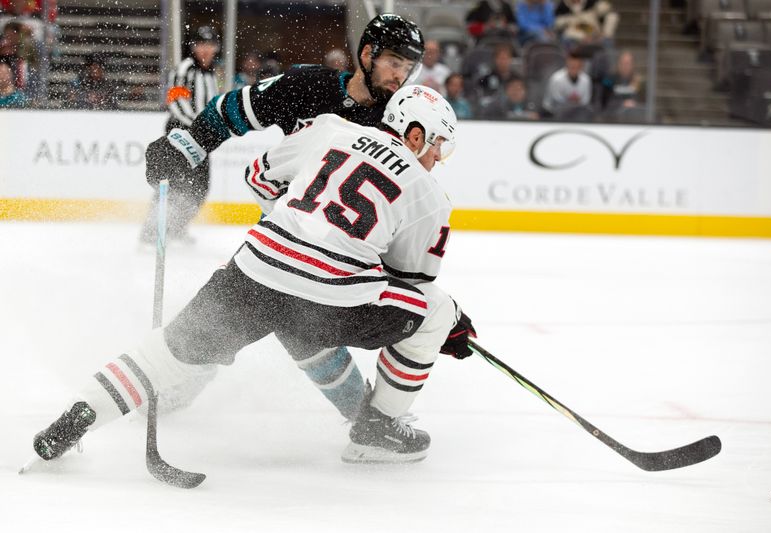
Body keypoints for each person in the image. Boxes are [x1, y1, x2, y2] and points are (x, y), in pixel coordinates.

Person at [32, 85, 477, 466]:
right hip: (327, 302)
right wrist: (449, 328)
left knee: (167, 352)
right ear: (414, 134)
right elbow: (410, 282)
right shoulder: (429, 194)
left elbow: (260, 177)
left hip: (254, 270)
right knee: (439, 310)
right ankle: (377, 432)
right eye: (438, 145)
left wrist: (306, 230)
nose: (438, 158)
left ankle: (76, 416)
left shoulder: (330, 129)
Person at [141, 14, 426, 423]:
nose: (401, 75)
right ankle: (169, 384)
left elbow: (406, 200)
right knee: (227, 315)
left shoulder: (398, 121)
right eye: (394, 62)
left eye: (408, 66)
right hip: (284, 233)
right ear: (367, 53)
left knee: (308, 329)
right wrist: (186, 145)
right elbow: (233, 110)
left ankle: (367, 423)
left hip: (345, 250)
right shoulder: (308, 86)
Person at [139, 25, 221, 245]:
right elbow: (176, 102)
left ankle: (175, 229)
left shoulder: (212, 73)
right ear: (193, 47)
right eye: (201, 44)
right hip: (181, 134)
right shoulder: (185, 69)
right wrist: (199, 126)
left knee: (199, 187)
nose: (205, 50)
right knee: (170, 184)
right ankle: (151, 234)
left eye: (210, 45)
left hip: (202, 138)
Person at [541, 52, 592, 118]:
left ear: (581, 66)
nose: (574, 69)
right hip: (553, 112)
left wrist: (576, 103)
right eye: (572, 66)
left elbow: (586, 100)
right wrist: (571, 101)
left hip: (577, 113)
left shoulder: (586, 80)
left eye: (576, 66)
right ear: (567, 64)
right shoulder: (557, 79)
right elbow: (556, 100)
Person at [599, 50, 643, 115]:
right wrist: (622, 103)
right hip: (612, 118)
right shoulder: (608, 80)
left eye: (628, 63)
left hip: (634, 118)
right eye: (622, 63)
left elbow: (644, 104)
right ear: (618, 64)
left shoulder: (638, 81)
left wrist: (634, 103)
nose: (625, 66)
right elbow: (603, 101)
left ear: (633, 65)